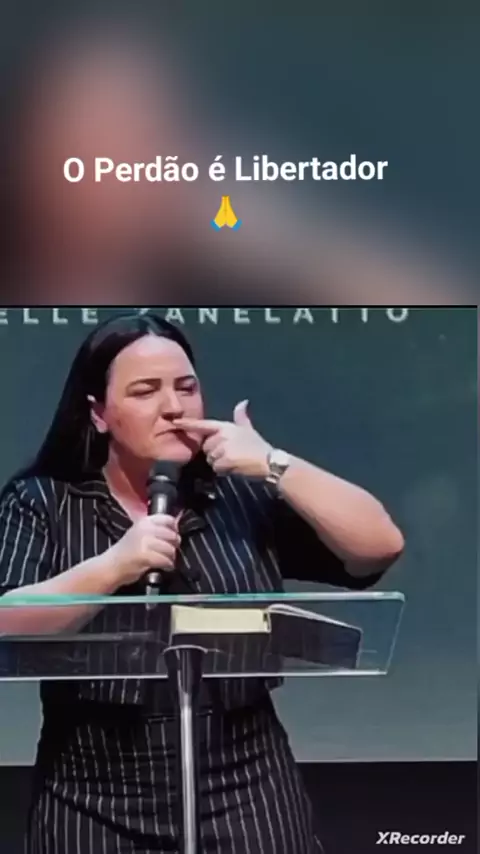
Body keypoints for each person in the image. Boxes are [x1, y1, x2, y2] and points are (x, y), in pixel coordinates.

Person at [0, 311, 404, 853]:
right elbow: (7, 621)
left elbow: (378, 545)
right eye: (145, 391)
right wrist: (113, 566)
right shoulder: (43, 502)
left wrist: (273, 463)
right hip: (92, 790)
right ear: (98, 413)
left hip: (244, 783)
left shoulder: (238, 493)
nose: (174, 406)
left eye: (186, 388)